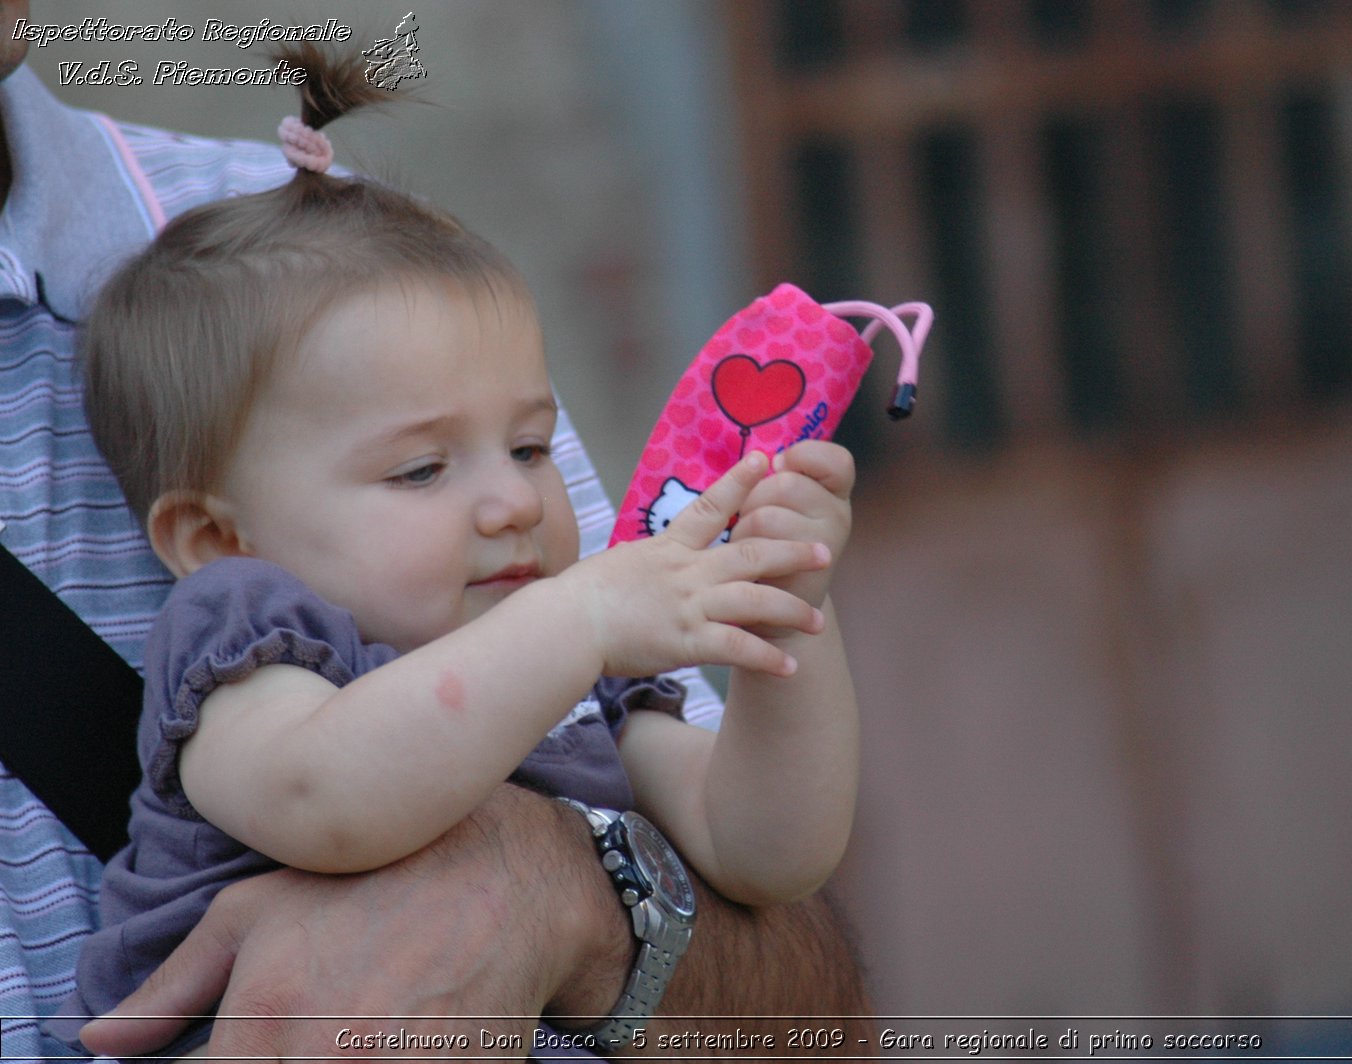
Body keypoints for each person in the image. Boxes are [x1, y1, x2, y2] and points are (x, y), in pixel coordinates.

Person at [0, 9, 871, 1061]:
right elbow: (331, 802)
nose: (509, 503)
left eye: (531, 447)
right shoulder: (252, 643)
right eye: (420, 469)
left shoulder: (561, 659)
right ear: (214, 535)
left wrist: (785, 615)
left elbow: (765, 847)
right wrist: (582, 617)